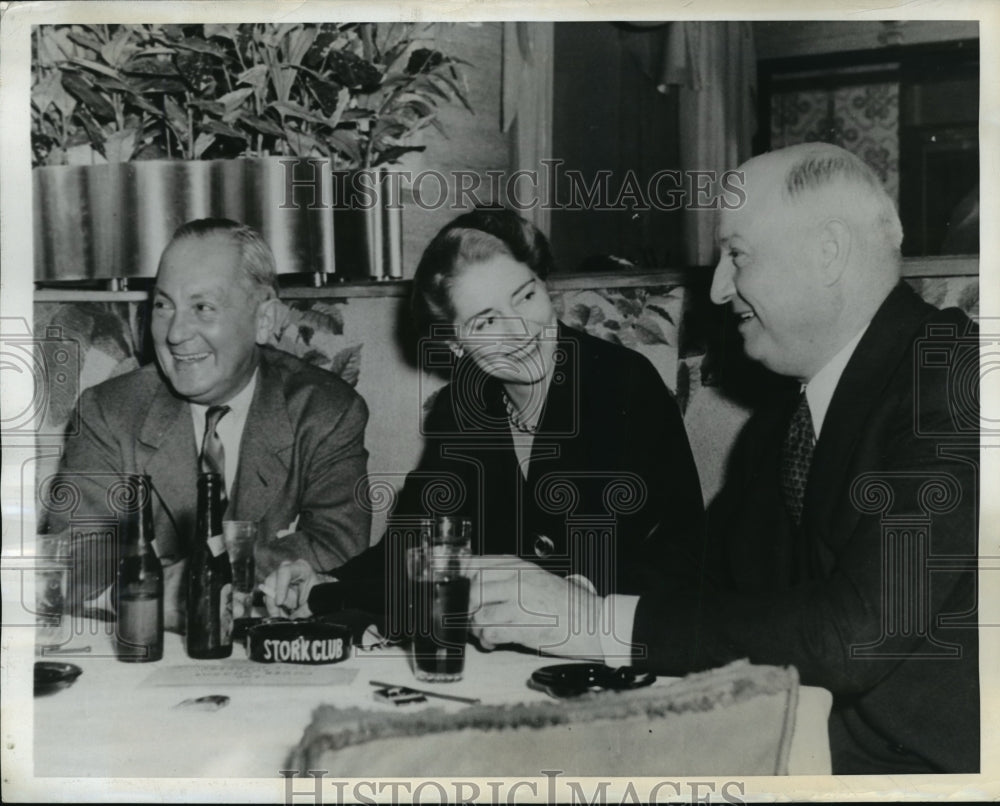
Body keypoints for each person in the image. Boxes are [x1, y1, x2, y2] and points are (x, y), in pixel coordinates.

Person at [467, 144, 979, 775]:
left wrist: (595, 622)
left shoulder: (956, 383)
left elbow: (855, 634)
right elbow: (705, 563)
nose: (716, 289)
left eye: (736, 255)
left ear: (828, 252)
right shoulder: (788, 416)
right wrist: (570, 590)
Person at [263, 207, 704, 624]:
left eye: (526, 296)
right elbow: (417, 544)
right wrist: (328, 584)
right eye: (486, 322)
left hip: (626, 634)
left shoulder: (622, 383)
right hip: (512, 646)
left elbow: (674, 550)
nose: (520, 331)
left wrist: (575, 598)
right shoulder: (464, 409)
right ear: (457, 346)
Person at [44, 218, 371, 630]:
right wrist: (150, 596)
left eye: (203, 308)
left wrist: (201, 581)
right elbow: (77, 560)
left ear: (264, 319)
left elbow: (339, 544)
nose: (176, 334)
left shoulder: (326, 410)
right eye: (164, 306)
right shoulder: (109, 411)